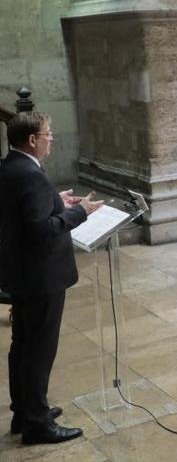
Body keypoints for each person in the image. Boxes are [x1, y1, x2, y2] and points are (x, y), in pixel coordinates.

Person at [1, 112, 104, 444]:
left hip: (22, 273)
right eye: (48, 134)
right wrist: (78, 212)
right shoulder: (30, 174)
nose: (51, 139)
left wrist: (55, 201)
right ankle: (36, 423)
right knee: (38, 350)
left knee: (23, 346)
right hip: (40, 276)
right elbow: (39, 230)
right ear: (32, 140)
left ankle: (25, 411)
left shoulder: (11, 167)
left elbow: (24, 215)